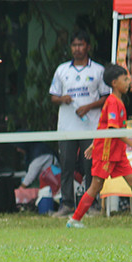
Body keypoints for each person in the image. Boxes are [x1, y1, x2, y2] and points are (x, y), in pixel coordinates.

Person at [67, 64, 132, 229]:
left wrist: (93, 144)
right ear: (114, 83)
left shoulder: (118, 102)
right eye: (125, 79)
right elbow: (113, 130)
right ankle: (74, 220)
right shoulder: (112, 102)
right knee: (96, 186)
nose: (128, 82)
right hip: (107, 153)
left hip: (118, 153)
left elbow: (102, 127)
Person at [50, 31, 110, 217]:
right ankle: (67, 204)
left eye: (81, 45)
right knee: (66, 166)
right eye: (74, 45)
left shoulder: (98, 70)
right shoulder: (62, 70)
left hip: (90, 127)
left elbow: (106, 97)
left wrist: (88, 107)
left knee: (90, 167)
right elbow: (53, 96)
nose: (77, 49)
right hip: (67, 127)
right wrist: (62, 99)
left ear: (88, 47)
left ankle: (91, 205)